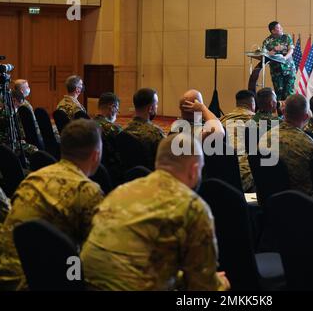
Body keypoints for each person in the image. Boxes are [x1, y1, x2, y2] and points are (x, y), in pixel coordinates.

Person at [81, 133, 230, 291]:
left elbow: (129, 263)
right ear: (194, 170)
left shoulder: (121, 191)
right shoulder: (192, 206)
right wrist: (221, 284)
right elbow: (203, 289)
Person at [0, 119, 104, 291]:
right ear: (96, 155)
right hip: (37, 283)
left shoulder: (33, 178)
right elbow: (99, 257)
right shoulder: (87, 191)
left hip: (7, 276)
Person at [259, 94, 313, 197]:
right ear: (306, 117)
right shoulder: (309, 145)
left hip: (270, 202)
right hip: (303, 204)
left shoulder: (264, 138)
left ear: (283, 112)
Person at [220, 90, 256, 192]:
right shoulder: (256, 121)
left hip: (224, 177)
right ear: (252, 104)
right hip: (248, 179)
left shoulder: (221, 121)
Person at [124, 88, 166, 170]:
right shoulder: (156, 133)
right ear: (150, 109)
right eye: (156, 104)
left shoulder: (124, 130)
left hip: (127, 177)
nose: (157, 107)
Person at [262, 21, 296, 101]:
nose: (281, 29)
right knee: (279, 93)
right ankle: (280, 112)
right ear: (273, 31)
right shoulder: (267, 41)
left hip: (289, 68)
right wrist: (274, 49)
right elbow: (265, 54)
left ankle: (290, 112)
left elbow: (291, 50)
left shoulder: (287, 37)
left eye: (281, 27)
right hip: (276, 71)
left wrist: (285, 58)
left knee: (289, 93)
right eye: (278, 28)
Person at [94, 92, 123, 186]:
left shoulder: (87, 124)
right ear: (112, 107)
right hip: (112, 174)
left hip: (92, 171)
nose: (117, 113)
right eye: (117, 109)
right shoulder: (114, 129)